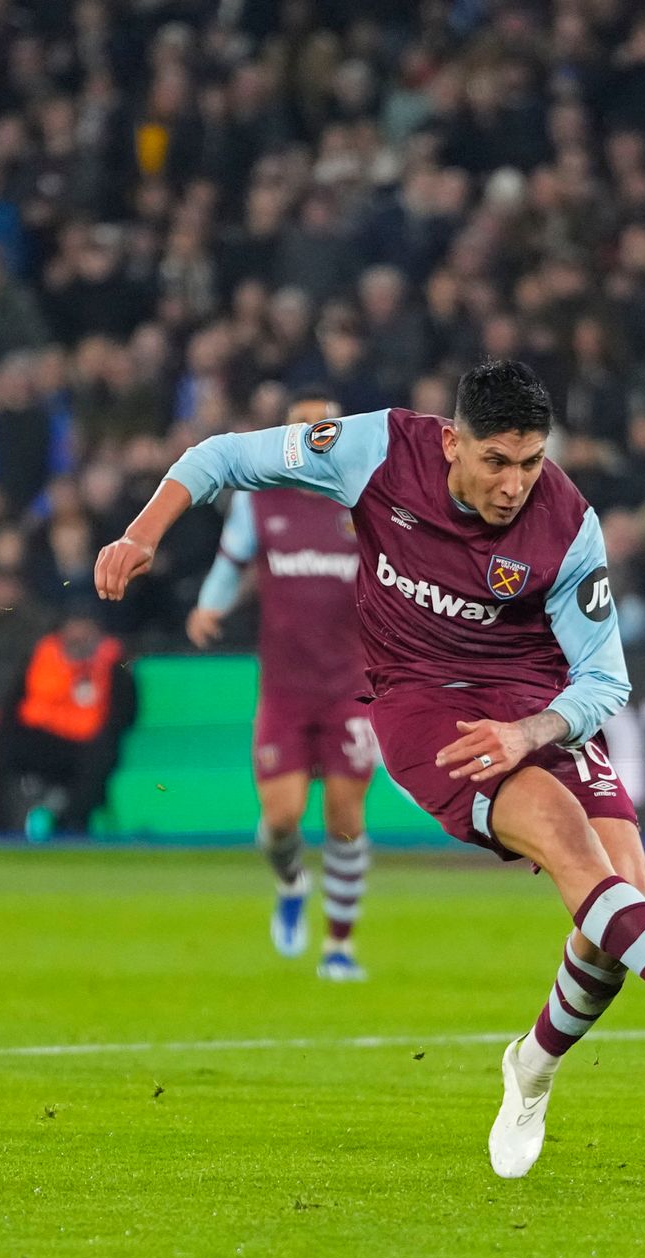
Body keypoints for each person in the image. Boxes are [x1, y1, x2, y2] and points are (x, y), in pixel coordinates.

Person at [95, 361, 645, 1179]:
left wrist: (532, 728)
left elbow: (606, 680)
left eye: (531, 462)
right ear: (452, 441)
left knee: (619, 910)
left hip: (532, 705)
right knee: (572, 847)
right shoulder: (377, 450)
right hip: (422, 704)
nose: (515, 485)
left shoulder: (567, 523)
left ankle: (530, 1067)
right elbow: (217, 456)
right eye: (496, 461)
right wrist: (143, 533)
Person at [186, 392, 377, 981]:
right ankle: (292, 882)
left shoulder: (366, 500)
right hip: (286, 689)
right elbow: (232, 560)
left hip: (352, 686)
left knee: (345, 817)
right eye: (304, 427)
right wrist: (208, 605)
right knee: (283, 817)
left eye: (326, 427)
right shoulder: (259, 499)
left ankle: (339, 947)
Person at [0, 598, 136, 837]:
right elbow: (13, 703)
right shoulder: (41, 654)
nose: (80, 632)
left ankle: (70, 827)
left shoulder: (112, 663)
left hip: (83, 746)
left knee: (102, 754)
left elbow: (123, 714)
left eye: (86, 625)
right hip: (40, 739)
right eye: (74, 624)